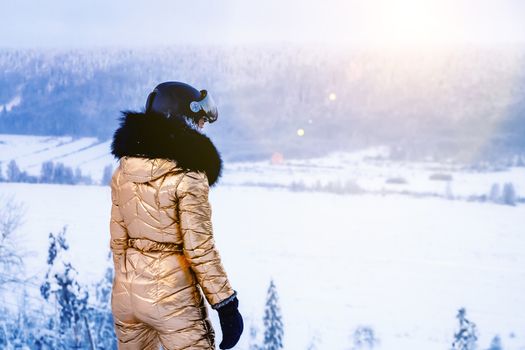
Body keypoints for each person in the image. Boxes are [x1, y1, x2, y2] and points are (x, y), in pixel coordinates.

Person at [109, 82, 243, 349]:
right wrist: (226, 304)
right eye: (199, 121)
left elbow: (118, 242)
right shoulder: (189, 176)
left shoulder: (123, 171)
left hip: (127, 296)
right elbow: (199, 248)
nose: (202, 128)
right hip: (173, 297)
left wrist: (131, 286)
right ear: (183, 120)